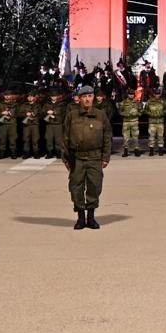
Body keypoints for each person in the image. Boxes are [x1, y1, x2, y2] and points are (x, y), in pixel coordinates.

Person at [62, 85, 113, 229]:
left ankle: (91, 217)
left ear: (93, 98)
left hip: (95, 158)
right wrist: (65, 158)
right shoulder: (72, 115)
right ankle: (80, 218)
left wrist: (106, 157)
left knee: (95, 187)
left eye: (90, 96)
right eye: (84, 96)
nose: (87, 99)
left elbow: (107, 137)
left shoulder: (100, 115)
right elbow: (65, 137)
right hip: (77, 158)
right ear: (79, 99)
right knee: (76, 188)